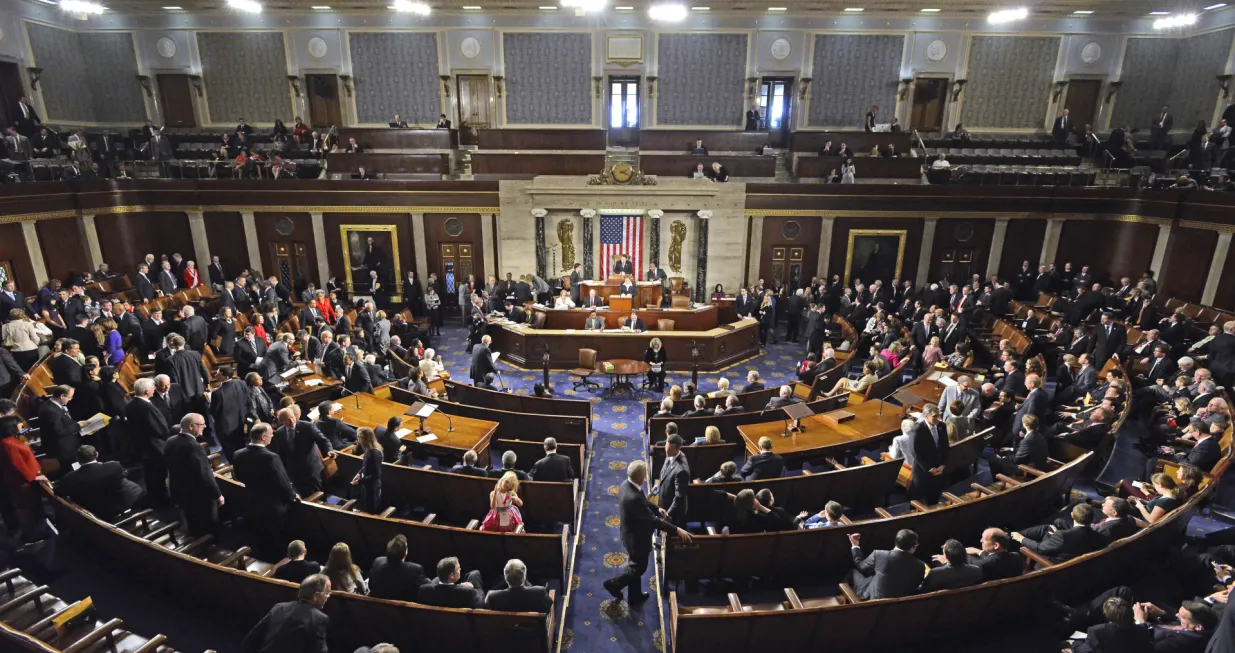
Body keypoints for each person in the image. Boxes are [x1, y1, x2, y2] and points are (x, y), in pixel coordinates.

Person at [604, 460, 693, 603]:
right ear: (641, 477)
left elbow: (643, 501)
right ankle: (614, 584)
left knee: (635, 565)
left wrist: (656, 508)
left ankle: (635, 596)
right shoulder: (632, 497)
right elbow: (653, 521)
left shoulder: (626, 485)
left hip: (629, 532)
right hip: (636, 539)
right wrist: (677, 530)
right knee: (639, 568)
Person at [232, 423, 299, 558]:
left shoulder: (238, 454)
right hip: (273, 506)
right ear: (263, 438)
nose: (272, 436)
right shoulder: (271, 457)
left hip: (252, 501)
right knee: (277, 537)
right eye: (270, 434)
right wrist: (293, 496)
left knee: (260, 534)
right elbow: (283, 482)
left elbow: (238, 476)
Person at [164, 414, 223, 536]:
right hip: (199, 497)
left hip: (180, 493)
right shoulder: (194, 446)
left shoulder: (170, 441)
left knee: (192, 524)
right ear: (191, 426)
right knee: (209, 528)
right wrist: (218, 495)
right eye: (202, 424)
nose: (205, 426)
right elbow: (205, 475)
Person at [241, 574, 330, 653]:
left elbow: (251, 638)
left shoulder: (279, 607)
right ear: (316, 596)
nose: (328, 597)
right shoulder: (319, 619)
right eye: (327, 593)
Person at [52, 444, 143, 522]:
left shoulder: (70, 478)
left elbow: (58, 491)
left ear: (78, 460)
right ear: (97, 454)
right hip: (122, 504)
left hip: (97, 512)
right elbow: (124, 474)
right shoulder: (114, 465)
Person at [846, 529, 927, 600]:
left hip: (872, 600)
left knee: (853, 572)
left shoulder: (879, 554)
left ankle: (839, 596)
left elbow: (861, 566)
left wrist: (855, 545)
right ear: (913, 547)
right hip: (900, 607)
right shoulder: (920, 566)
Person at [368, 534, 427, 602]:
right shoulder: (415, 570)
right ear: (405, 553)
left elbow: (371, 586)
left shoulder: (377, 562)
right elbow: (425, 590)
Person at [485, 559, 552, 612]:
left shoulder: (492, 597)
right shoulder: (539, 592)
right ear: (524, 576)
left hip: (504, 628)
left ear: (505, 577)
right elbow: (548, 608)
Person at [419, 557, 484, 608]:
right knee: (475, 574)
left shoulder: (424, 590)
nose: (460, 569)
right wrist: (475, 588)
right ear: (451, 576)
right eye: (458, 568)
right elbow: (480, 605)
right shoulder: (468, 592)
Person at [654, 434, 690, 526]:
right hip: (664, 504)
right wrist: (658, 485)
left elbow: (679, 497)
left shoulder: (681, 470)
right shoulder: (670, 454)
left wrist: (668, 515)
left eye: (669, 450)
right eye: (666, 448)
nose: (666, 451)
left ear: (678, 449)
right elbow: (665, 473)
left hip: (672, 512)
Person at [351, 426, 384, 513]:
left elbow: (376, 476)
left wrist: (360, 481)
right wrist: (359, 473)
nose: (357, 440)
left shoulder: (375, 454)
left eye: (358, 438)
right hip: (367, 483)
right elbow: (366, 466)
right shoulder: (368, 450)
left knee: (371, 510)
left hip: (373, 487)